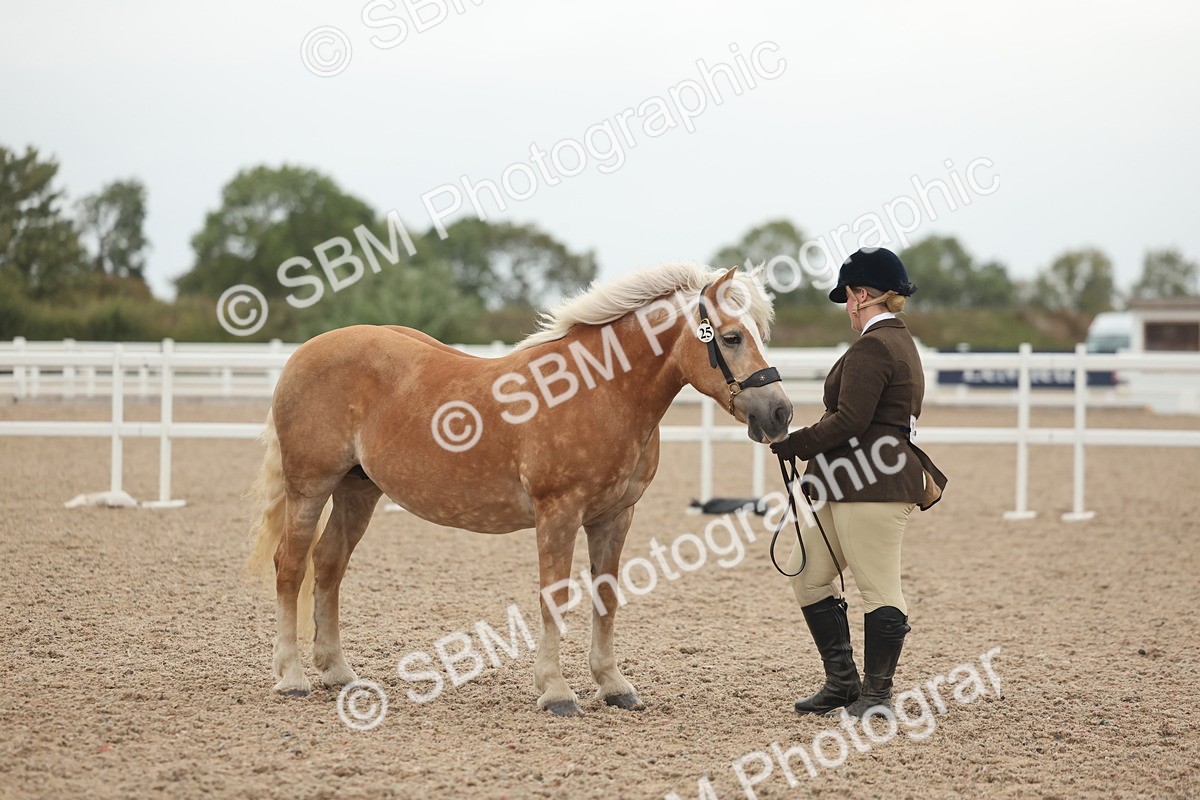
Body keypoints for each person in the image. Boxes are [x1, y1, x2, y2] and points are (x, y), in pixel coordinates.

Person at [770, 246, 946, 718]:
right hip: (850, 481)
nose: (846, 306)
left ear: (860, 295)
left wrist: (796, 445)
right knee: (807, 577)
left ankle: (878, 695)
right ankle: (843, 682)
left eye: (847, 296)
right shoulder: (897, 340)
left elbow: (849, 420)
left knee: (880, 589)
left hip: (874, 486)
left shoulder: (873, 345)